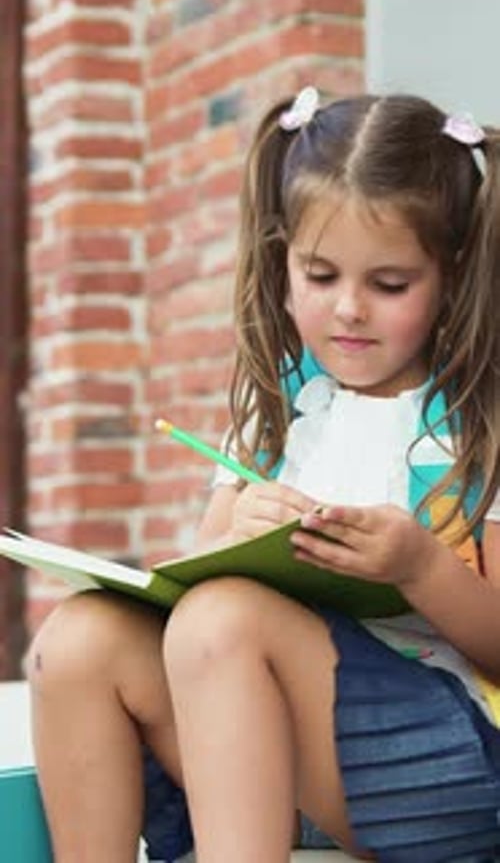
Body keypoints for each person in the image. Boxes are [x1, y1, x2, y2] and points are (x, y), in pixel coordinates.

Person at [28, 87, 500, 863]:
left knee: (224, 619)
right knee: (80, 637)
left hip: (438, 770)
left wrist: (420, 567)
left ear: (451, 276)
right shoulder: (280, 409)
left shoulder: (476, 422)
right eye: (320, 275)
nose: (349, 309)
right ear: (283, 262)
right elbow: (186, 600)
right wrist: (236, 536)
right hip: (262, 762)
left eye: (389, 285)